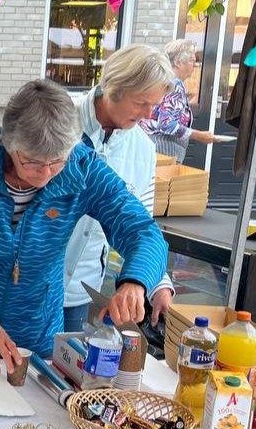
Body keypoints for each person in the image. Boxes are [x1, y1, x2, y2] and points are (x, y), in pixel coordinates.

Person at [0, 79, 167, 373]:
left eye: (57, 161)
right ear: (9, 145)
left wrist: (135, 281)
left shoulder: (82, 169)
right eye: (32, 162)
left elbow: (144, 232)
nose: (46, 173)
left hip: (35, 338)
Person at [64, 45, 178, 333]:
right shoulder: (60, 120)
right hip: (25, 285)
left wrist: (157, 282)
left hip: (81, 287)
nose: (148, 114)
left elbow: (141, 222)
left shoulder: (144, 149)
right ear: (114, 87)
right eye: (141, 103)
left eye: (155, 105)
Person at [141, 39, 218, 162]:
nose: (195, 65)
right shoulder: (175, 85)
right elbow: (166, 124)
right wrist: (199, 135)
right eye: (192, 60)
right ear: (178, 62)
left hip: (150, 146)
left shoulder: (163, 80)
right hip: (164, 151)